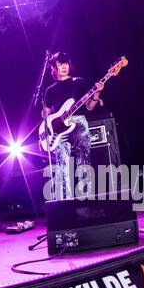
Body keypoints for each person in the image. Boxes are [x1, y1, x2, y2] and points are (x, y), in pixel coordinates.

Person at [40, 52, 104, 202]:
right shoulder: (50, 90)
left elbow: (89, 107)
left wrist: (97, 94)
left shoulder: (78, 82)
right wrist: (45, 121)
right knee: (62, 165)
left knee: (84, 160)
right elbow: (46, 116)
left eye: (66, 63)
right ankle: (65, 204)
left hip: (78, 123)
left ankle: (86, 200)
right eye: (60, 64)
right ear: (53, 68)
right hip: (58, 129)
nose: (64, 67)